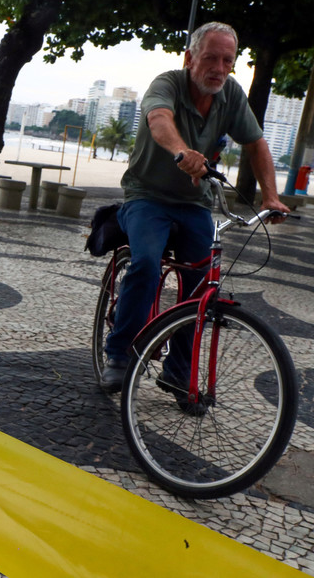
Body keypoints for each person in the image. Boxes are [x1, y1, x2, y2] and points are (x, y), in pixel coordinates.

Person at [100, 21, 289, 393]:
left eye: (227, 61)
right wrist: (181, 152)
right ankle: (119, 354)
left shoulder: (231, 94)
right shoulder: (167, 84)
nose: (219, 68)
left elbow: (256, 143)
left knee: (204, 281)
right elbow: (159, 119)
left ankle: (178, 370)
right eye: (210, 58)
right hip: (147, 196)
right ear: (190, 58)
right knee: (146, 264)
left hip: (194, 203)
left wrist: (270, 196)